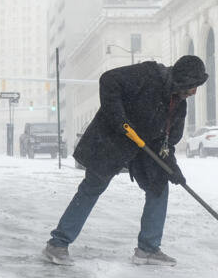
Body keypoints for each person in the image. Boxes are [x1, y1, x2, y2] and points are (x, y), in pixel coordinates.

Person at [42, 55, 208, 267]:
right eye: (193, 85)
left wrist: (173, 169)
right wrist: (119, 119)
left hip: (142, 148)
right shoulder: (148, 75)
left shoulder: (178, 106)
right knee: (92, 187)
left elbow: (167, 144)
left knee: (159, 187)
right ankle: (57, 243)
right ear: (181, 78)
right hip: (112, 139)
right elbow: (108, 79)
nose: (194, 91)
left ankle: (148, 249)